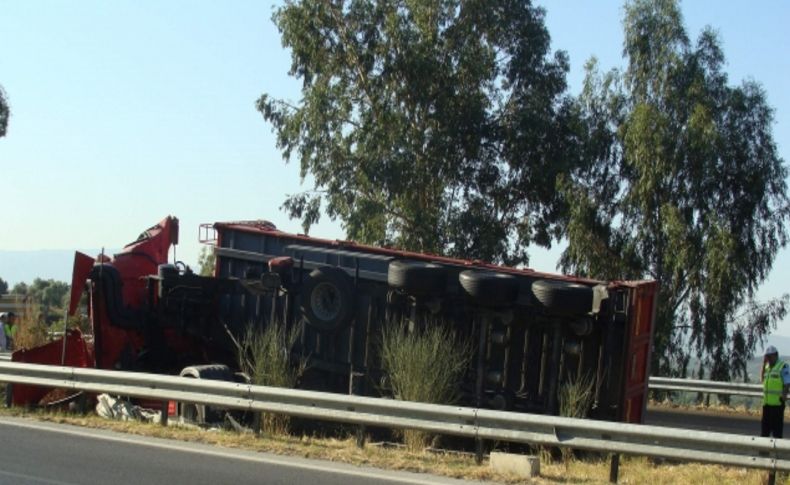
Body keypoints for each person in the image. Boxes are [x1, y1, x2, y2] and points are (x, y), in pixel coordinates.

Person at [761, 345, 790, 438]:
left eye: (770, 356)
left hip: (777, 405)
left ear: (776, 355)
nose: (768, 358)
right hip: (767, 404)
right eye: (767, 356)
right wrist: (763, 364)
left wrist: (784, 396)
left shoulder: (783, 366)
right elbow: (762, 379)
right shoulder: (767, 367)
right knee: (764, 432)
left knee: (777, 432)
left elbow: (787, 382)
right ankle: (763, 452)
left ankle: (777, 451)